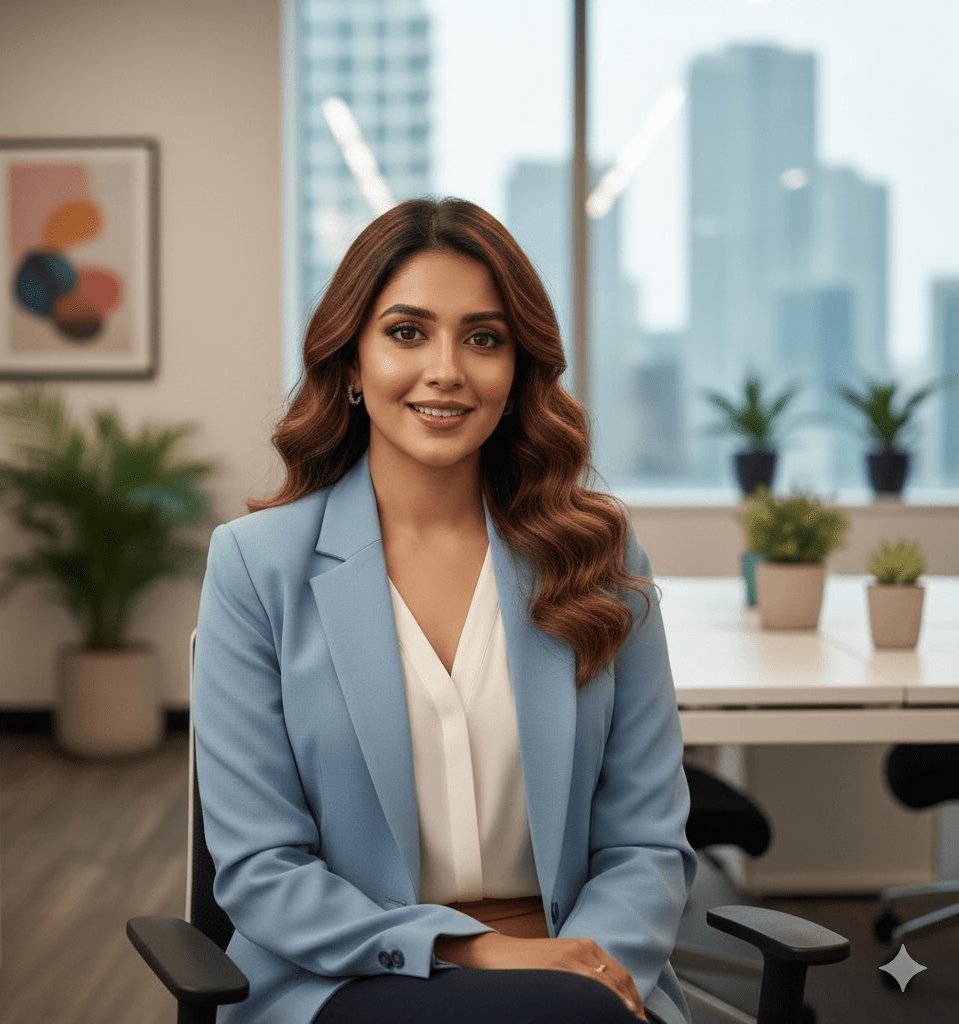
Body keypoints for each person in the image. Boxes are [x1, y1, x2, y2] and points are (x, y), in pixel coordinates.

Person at [192, 197, 698, 1024]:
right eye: (406, 332)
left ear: (517, 370)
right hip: (352, 975)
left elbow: (646, 841)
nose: (446, 370)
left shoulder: (598, 557)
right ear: (351, 363)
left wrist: (593, 968)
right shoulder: (255, 567)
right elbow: (262, 869)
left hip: (585, 973)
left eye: (484, 338)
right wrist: (474, 951)